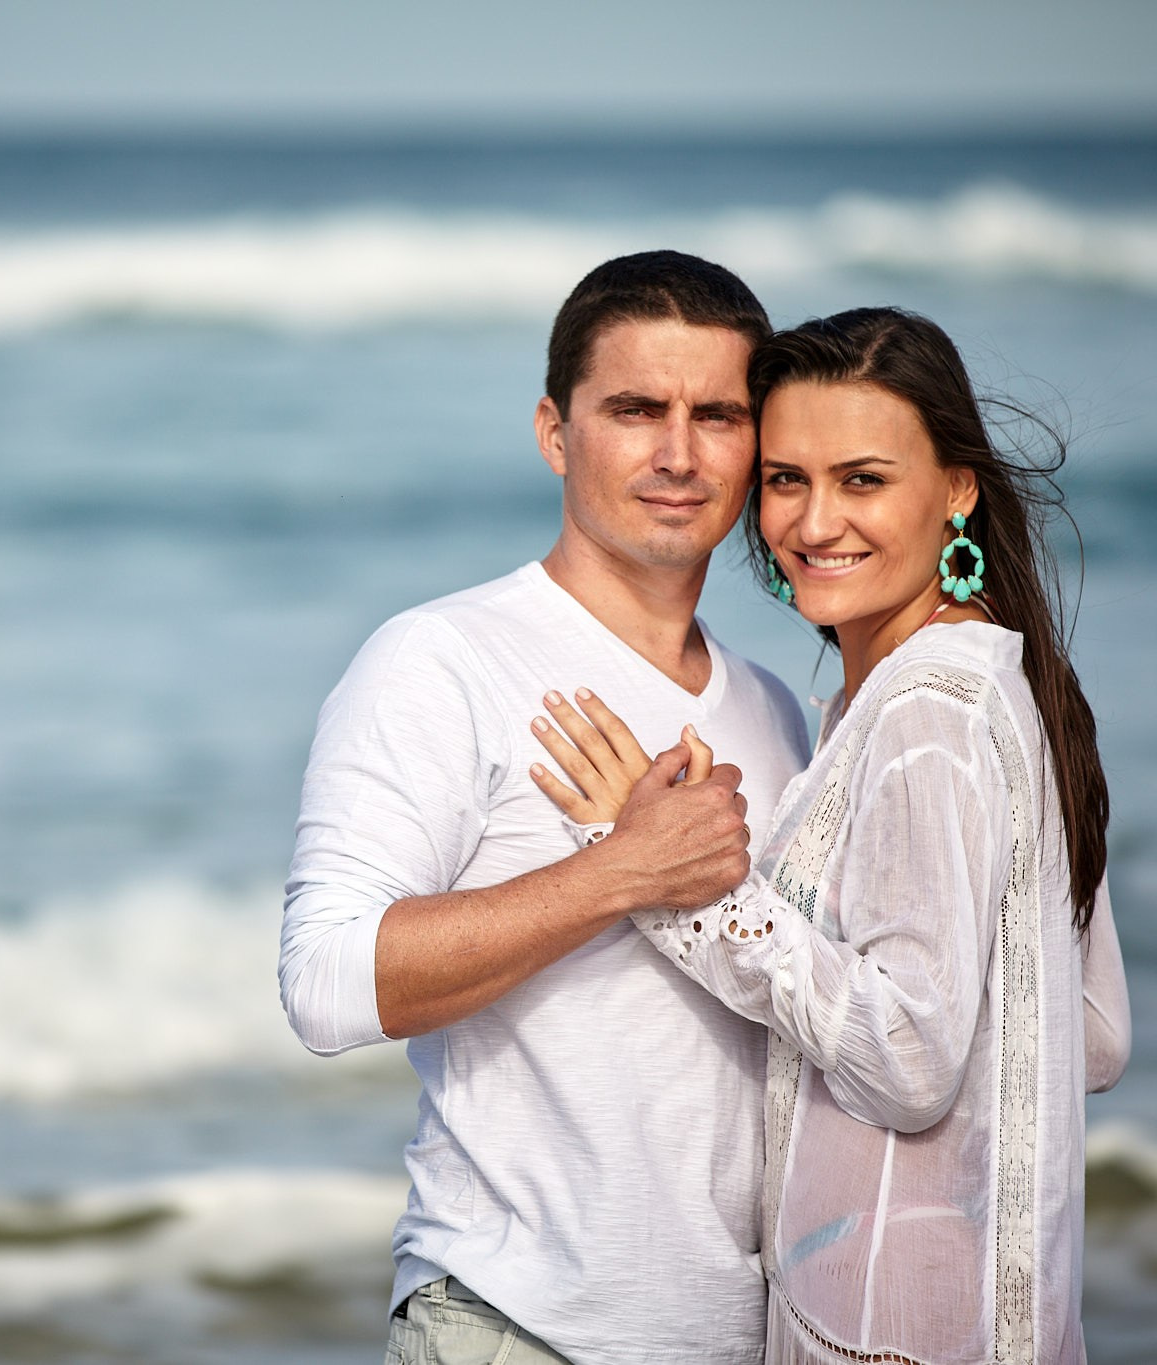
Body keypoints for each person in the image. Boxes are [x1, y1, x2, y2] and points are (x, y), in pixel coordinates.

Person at [530, 307, 1132, 1364]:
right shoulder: (997, 682)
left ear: (955, 489)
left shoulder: (925, 715)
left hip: (881, 1331)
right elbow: (1089, 1033)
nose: (812, 523)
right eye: (783, 479)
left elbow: (905, 1060)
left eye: (861, 480)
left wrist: (681, 884)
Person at [281, 251, 811, 1364]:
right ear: (553, 432)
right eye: (632, 410)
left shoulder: (770, 708)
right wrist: (622, 872)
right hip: (517, 1326)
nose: (677, 453)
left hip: (740, 1339)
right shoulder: (441, 658)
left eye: (716, 414)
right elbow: (325, 983)